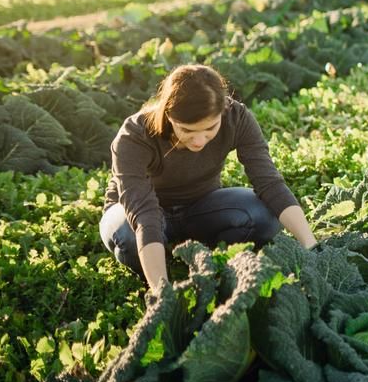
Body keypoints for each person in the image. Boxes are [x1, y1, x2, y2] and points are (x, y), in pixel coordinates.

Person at [99, 64, 317, 295]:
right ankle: (158, 267)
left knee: (265, 217)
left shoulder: (237, 117)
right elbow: (143, 213)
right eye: (187, 130)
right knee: (127, 237)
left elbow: (269, 183)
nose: (199, 141)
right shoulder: (134, 135)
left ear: (223, 109)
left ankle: (207, 255)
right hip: (136, 213)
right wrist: (163, 293)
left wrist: (312, 247)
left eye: (210, 128)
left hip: (200, 206)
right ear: (168, 115)